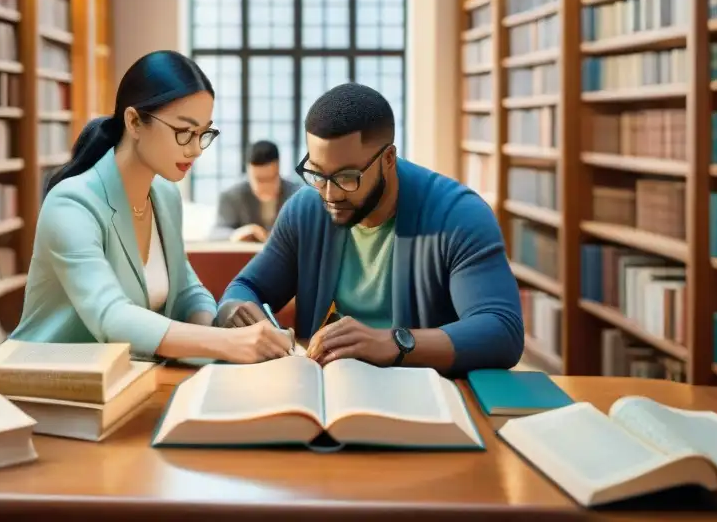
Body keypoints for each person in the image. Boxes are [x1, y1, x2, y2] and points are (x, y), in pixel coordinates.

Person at [216, 82, 524, 378]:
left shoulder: (458, 215)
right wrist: (237, 310)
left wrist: (392, 343)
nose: (330, 194)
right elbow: (246, 287)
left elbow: (501, 330)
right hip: (326, 393)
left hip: (425, 398)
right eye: (318, 174)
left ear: (388, 158)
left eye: (347, 177)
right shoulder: (306, 208)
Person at [11, 50, 293, 364]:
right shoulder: (71, 205)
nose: (196, 149)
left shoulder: (164, 195)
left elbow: (186, 290)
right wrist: (222, 343)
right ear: (134, 121)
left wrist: (220, 326)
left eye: (203, 134)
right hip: (52, 384)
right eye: (184, 132)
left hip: (130, 379)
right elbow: (111, 316)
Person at [215, 140, 300, 243]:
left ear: (278, 169)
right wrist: (236, 234)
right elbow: (216, 232)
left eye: (271, 179)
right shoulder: (231, 196)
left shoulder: (297, 195)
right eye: (258, 180)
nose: (265, 187)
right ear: (248, 172)